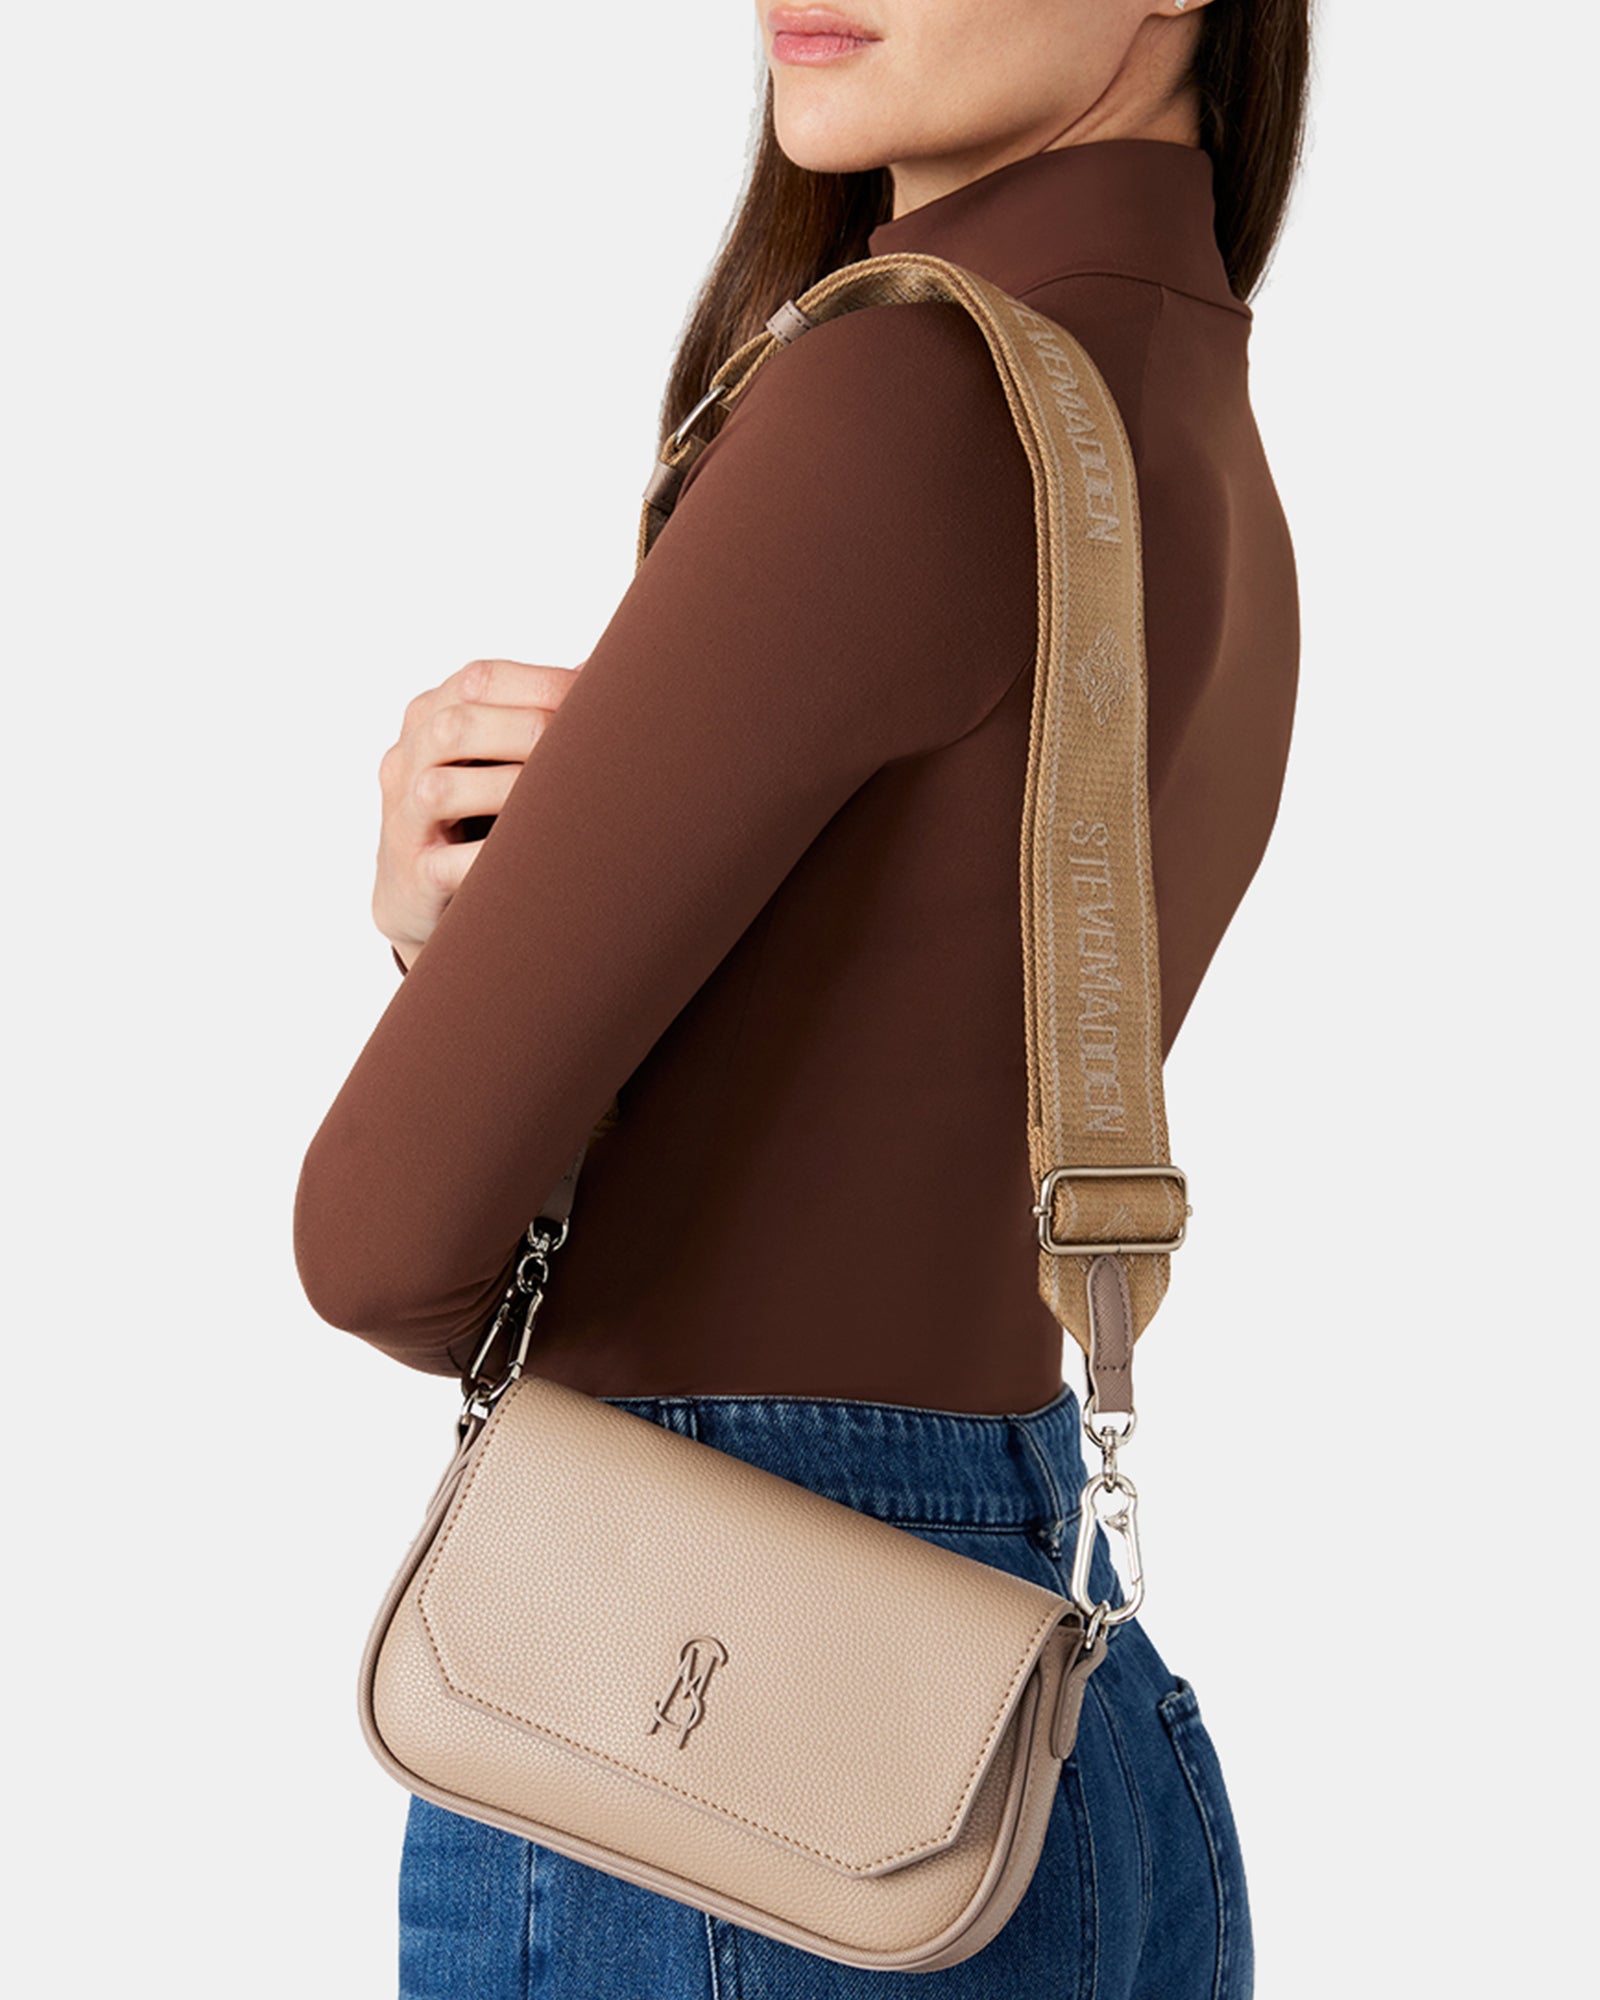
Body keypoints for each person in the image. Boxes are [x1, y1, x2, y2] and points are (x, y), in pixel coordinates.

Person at [294, 1, 1309, 1993]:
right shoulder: (1177, 410)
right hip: (1046, 1721)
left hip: (702, 1734)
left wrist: (453, 960)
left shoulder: (900, 394)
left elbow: (379, 1238)